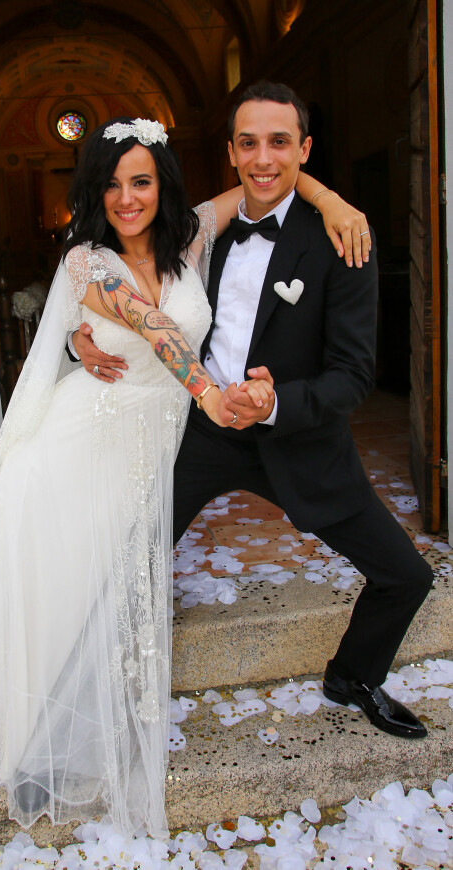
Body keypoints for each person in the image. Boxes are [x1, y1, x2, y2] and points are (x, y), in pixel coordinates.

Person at [0, 114, 370, 838]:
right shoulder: (87, 261)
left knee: (72, 595)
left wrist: (331, 201)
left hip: (140, 453)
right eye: (111, 184)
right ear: (95, 193)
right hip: (73, 445)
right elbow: (151, 324)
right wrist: (205, 391)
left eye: (140, 181)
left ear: (161, 186)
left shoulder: (194, 233)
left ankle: (3, 718)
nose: (127, 197)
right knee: (20, 585)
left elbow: (264, 180)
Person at [75, 84, 435, 742]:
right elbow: (115, 278)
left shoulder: (342, 238)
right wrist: (80, 338)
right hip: (199, 431)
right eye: (249, 142)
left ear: (305, 148)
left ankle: (353, 675)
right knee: (130, 564)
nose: (263, 157)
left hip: (296, 436)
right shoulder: (198, 230)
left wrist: (275, 403)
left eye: (279, 141)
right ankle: (100, 707)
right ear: (232, 152)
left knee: (407, 575)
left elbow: (354, 375)